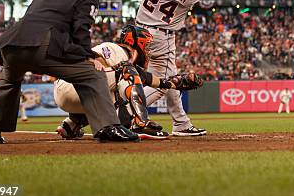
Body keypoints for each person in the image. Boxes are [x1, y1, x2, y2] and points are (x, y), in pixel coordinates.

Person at [0, 0, 138, 144]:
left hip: (10, 43)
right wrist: (87, 55)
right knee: (92, 74)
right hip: (42, 44)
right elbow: (82, 28)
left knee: (9, 82)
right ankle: (108, 127)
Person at [53, 25, 200, 140]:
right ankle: (140, 124)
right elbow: (92, 57)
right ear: (135, 42)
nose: (147, 50)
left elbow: (151, 80)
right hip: (71, 84)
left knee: (115, 99)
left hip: (73, 92)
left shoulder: (126, 62)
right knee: (124, 78)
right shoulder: (115, 48)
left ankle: (71, 124)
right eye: (146, 45)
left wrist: (175, 84)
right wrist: (96, 63)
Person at [126, 0, 207, 136]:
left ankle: (181, 123)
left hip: (137, 33)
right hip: (161, 37)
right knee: (164, 85)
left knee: (172, 78)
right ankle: (126, 112)